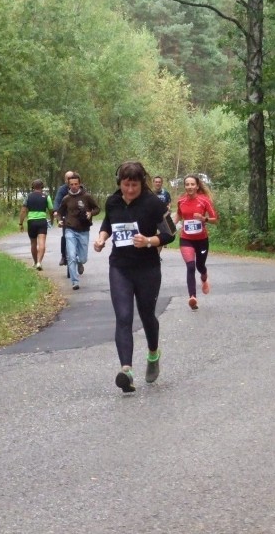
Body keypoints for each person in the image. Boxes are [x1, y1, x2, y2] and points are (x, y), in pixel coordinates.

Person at [94, 161, 175, 392]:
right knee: (123, 317)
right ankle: (126, 371)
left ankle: (152, 354)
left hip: (147, 268)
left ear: (142, 183)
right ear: (120, 183)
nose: (129, 190)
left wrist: (149, 241)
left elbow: (170, 234)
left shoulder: (153, 204)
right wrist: (101, 238)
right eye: (126, 185)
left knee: (147, 314)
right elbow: (108, 222)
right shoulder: (113, 201)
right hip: (120, 267)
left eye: (134, 185)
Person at [173, 173, 217, 311]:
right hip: (186, 239)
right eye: (187, 184)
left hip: (202, 240)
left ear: (197, 186)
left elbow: (215, 219)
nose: (190, 187)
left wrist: (204, 219)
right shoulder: (181, 201)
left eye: (192, 184)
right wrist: (169, 227)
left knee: (200, 266)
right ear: (185, 186)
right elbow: (179, 215)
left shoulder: (204, 200)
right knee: (190, 267)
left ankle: (204, 277)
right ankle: (192, 297)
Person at [57, 173, 100, 290]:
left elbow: (97, 208)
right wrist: (60, 220)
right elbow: (60, 212)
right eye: (71, 184)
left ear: (79, 184)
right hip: (70, 229)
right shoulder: (66, 198)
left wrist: (90, 213)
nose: (74, 186)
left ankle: (80, 262)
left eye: (76, 184)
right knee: (70, 256)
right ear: (68, 185)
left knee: (83, 258)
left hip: (84, 230)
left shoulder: (87, 196)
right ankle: (74, 281)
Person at [19, 179, 53, 270]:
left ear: (33, 187)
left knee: (33, 243)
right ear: (42, 187)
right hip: (42, 221)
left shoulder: (28, 197)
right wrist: (52, 220)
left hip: (31, 222)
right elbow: (51, 210)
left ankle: (34, 262)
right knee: (42, 243)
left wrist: (21, 223)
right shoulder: (46, 197)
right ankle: (39, 262)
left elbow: (23, 211)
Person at [52, 170, 75, 266]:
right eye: (67, 179)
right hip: (66, 215)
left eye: (71, 178)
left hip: (77, 216)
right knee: (65, 236)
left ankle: (78, 259)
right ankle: (64, 256)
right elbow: (57, 201)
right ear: (65, 180)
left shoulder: (79, 188)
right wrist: (56, 211)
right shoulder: (62, 189)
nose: (70, 181)